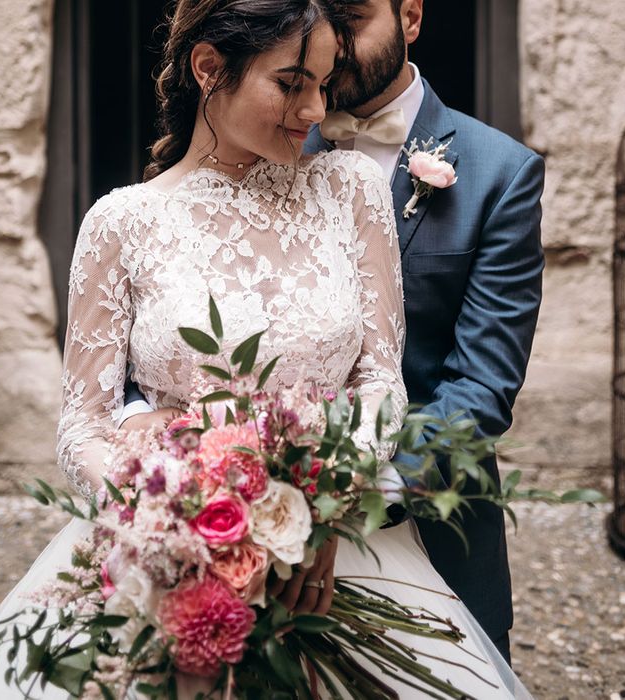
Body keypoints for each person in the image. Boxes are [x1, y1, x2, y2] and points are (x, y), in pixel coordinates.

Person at [0, 0, 533, 697]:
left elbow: (382, 379)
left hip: (337, 541)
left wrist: (316, 510)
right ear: (208, 68)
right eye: (292, 83)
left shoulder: (351, 189)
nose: (316, 108)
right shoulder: (120, 222)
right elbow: (84, 422)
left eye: (323, 82)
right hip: (175, 553)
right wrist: (174, 513)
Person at [121, 0, 546, 667]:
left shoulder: (500, 174)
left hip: (415, 530)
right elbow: (163, 324)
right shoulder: (256, 128)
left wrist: (326, 498)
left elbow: (479, 395)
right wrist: (166, 445)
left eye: (349, 17)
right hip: (224, 531)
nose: (330, 46)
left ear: (410, 17)